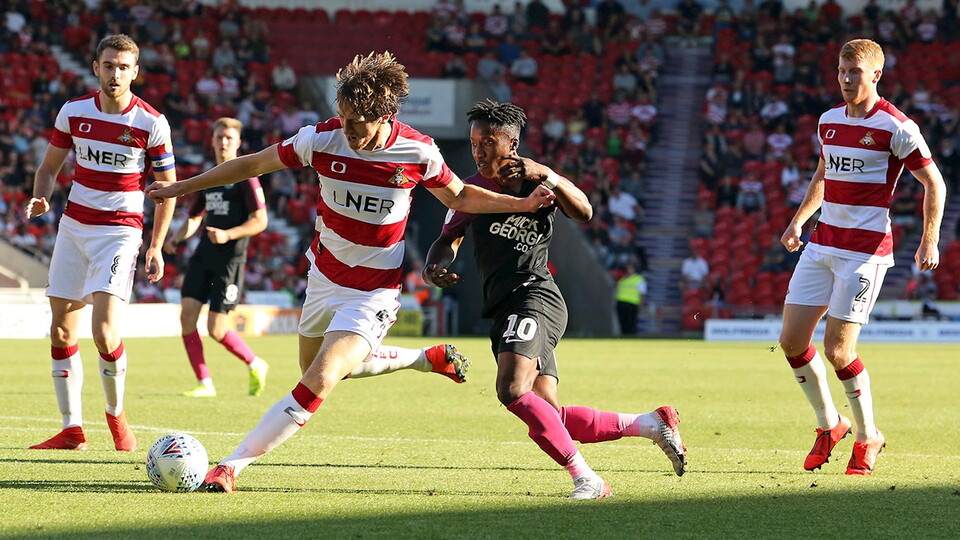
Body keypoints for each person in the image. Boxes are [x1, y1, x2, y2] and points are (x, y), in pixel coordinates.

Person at [145, 52, 555, 493]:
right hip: (323, 278)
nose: (346, 129)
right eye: (342, 117)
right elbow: (251, 164)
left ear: (385, 116)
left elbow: (459, 197)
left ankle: (230, 466)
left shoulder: (417, 151)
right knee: (315, 370)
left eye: (356, 122)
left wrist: (521, 204)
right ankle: (424, 358)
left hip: (373, 290)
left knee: (320, 379)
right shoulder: (321, 138)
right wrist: (182, 186)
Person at [421, 100, 685, 499]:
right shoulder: (471, 190)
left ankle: (588, 479)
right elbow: (447, 239)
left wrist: (551, 176)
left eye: (488, 142)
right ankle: (651, 423)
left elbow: (584, 211)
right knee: (549, 413)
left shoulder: (538, 182)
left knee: (511, 389)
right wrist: (434, 267)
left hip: (535, 297)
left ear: (511, 144)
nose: (478, 151)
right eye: (474, 143)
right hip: (504, 306)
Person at [778, 39, 945, 476]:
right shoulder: (829, 120)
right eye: (841, 71)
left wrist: (929, 239)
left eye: (855, 72)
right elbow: (823, 173)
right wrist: (798, 221)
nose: (846, 79)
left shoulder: (897, 127)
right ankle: (830, 425)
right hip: (822, 243)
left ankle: (869, 435)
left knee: (837, 350)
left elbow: (934, 183)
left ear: (876, 75)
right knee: (791, 342)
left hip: (863, 252)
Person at [26, 34, 177, 451]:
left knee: (105, 333)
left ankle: (116, 415)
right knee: (60, 329)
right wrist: (42, 196)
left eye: (123, 67)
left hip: (119, 232)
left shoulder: (151, 122)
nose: (115, 74)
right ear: (96, 68)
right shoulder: (73, 112)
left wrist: (155, 245)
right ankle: (71, 429)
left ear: (135, 72)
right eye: (108, 65)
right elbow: (48, 168)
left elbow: (167, 189)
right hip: (74, 227)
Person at [164, 117, 271, 398]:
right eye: (219, 137)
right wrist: (176, 238)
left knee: (216, 328)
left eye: (229, 138)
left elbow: (260, 220)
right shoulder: (209, 177)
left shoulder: (246, 177)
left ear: (238, 143)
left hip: (229, 260)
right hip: (204, 255)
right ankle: (204, 382)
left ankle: (255, 363)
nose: (223, 142)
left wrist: (228, 234)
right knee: (187, 316)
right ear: (212, 141)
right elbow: (194, 217)